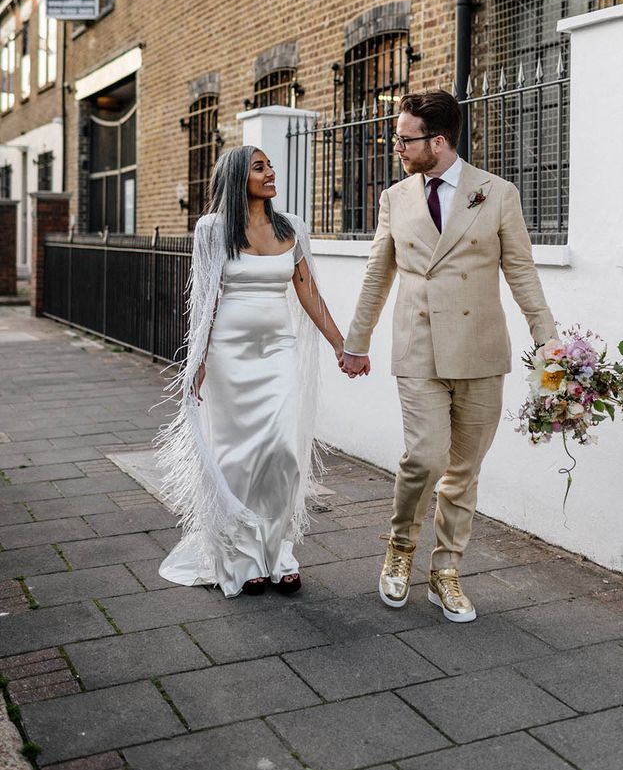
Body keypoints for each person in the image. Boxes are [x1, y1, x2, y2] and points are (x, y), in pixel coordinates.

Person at [340, 89, 556, 622]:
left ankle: (446, 571)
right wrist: (356, 340)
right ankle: (400, 548)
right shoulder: (396, 198)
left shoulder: (497, 193)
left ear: (438, 141)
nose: (397, 147)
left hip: (481, 349)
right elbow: (377, 273)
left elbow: (521, 271)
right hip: (418, 345)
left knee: (464, 469)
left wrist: (547, 340)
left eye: (405, 139)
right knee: (425, 458)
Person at [156, 145, 343, 597]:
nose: (271, 172)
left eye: (270, 165)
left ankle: (279, 552)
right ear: (239, 178)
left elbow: (308, 293)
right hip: (228, 357)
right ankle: (242, 559)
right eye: (260, 167)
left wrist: (343, 345)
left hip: (278, 352)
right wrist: (197, 363)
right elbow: (205, 300)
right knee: (238, 460)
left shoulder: (290, 228)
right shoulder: (213, 229)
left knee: (282, 455)